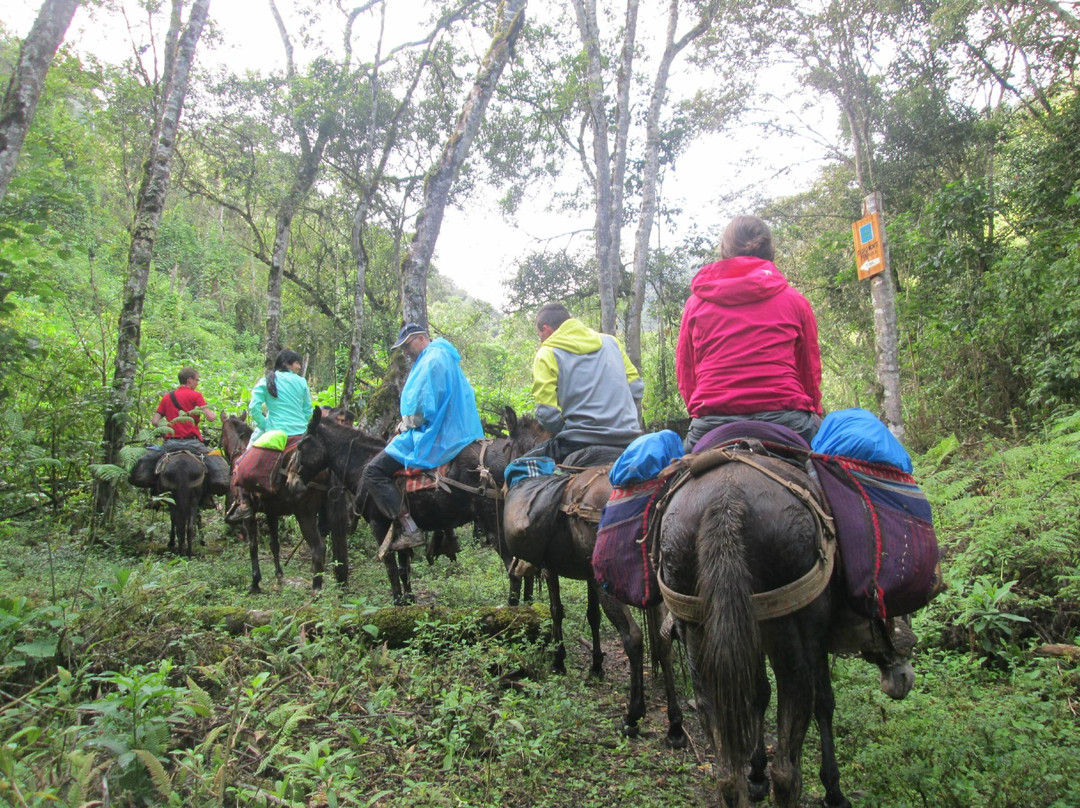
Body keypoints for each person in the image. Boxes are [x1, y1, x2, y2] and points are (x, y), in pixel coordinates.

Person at [676, 215, 822, 451]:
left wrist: (702, 407)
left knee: (670, 470)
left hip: (712, 421)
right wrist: (813, 409)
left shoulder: (695, 304)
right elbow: (809, 372)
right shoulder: (795, 301)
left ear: (725, 250)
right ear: (769, 250)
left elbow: (686, 374)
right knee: (834, 464)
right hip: (787, 419)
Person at [361, 323, 484, 549]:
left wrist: (404, 426)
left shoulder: (432, 360)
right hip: (461, 430)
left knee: (373, 471)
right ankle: (446, 533)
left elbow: (425, 410)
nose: (406, 351)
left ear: (420, 338)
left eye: (407, 345)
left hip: (438, 435)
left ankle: (409, 528)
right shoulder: (445, 355)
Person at [527, 303, 643, 463]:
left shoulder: (547, 353)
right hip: (629, 437)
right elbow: (636, 387)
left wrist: (569, 430)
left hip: (578, 442)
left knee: (514, 469)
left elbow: (546, 413)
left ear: (546, 329)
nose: (541, 340)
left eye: (539, 335)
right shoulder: (612, 343)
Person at [226, 349, 313, 523]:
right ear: (287, 363)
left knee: (241, 461)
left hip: (274, 432)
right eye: (297, 362)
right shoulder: (301, 381)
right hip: (300, 433)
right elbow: (308, 409)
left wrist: (264, 425)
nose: (299, 366)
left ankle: (245, 504)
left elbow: (254, 407)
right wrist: (300, 424)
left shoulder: (266, 381)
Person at [152, 367, 217, 446]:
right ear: (189, 380)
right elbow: (210, 417)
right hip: (192, 443)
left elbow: (155, 421)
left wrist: (167, 428)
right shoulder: (196, 396)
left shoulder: (166, 397)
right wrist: (214, 415)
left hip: (170, 443)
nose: (197, 383)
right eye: (197, 380)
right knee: (215, 454)